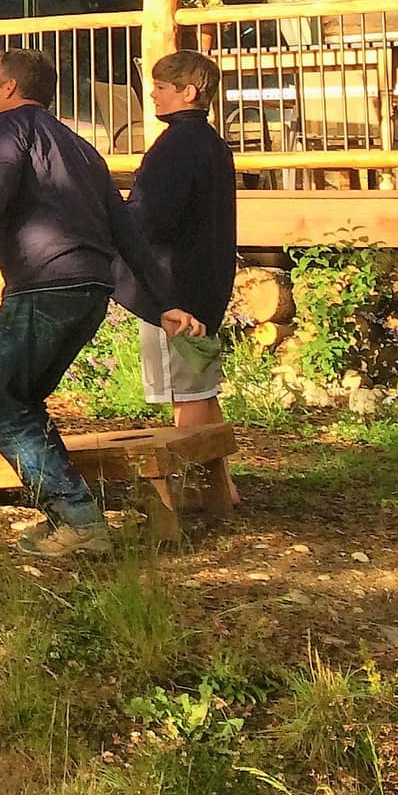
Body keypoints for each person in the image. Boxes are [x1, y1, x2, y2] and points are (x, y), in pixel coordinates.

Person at [0, 49, 196, 560]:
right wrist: (166, 301)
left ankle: (81, 520)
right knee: (23, 402)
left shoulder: (3, 128)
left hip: (44, 285)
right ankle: (67, 518)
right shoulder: (82, 148)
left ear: (9, 86)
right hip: (90, 289)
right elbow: (127, 232)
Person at [125, 48, 240, 509]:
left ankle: (189, 490)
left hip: (175, 287)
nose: (152, 93)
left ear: (188, 92)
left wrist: (115, 228)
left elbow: (150, 217)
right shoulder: (211, 142)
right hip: (207, 278)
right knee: (204, 390)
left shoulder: (176, 146)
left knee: (186, 394)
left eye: (162, 86)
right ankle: (222, 488)